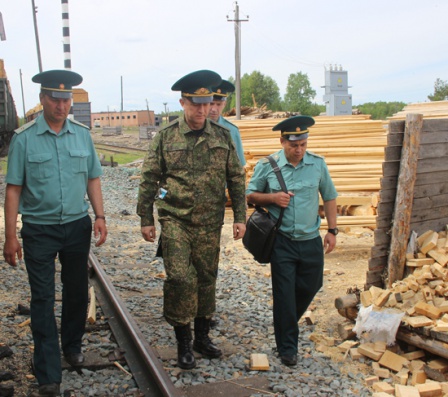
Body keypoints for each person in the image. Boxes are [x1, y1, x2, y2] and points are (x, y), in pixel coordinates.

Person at [3, 69, 107, 397]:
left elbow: (92, 178)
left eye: (66, 100)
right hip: (39, 229)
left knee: (76, 290)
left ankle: (72, 345)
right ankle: (48, 371)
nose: (61, 105)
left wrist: (100, 215)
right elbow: (13, 190)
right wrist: (10, 235)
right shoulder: (24, 139)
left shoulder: (82, 136)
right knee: (43, 298)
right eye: (55, 99)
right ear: (42, 99)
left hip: (77, 226)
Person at [137, 70, 246, 370]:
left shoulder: (222, 137)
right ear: (183, 103)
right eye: (195, 104)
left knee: (206, 279)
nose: (202, 110)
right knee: (180, 279)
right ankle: (182, 342)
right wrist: (146, 217)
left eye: (207, 103)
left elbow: (236, 179)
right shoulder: (165, 137)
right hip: (176, 221)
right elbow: (149, 178)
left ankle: (201, 337)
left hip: (210, 222)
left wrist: (240, 217)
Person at [246, 115, 338, 367]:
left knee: (311, 285)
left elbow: (329, 196)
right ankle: (287, 347)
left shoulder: (318, 164)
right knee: (284, 294)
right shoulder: (268, 165)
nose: (299, 150)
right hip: (282, 241)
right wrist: (273, 198)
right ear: (282, 141)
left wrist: (333, 230)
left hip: (310, 240)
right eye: (293, 145)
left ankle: (284, 322)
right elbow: (250, 195)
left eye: (303, 144)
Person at [209, 80, 246, 166]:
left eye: (218, 104)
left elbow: (239, 165)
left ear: (224, 104)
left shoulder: (232, 131)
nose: (214, 109)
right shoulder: (195, 127)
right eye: (211, 103)